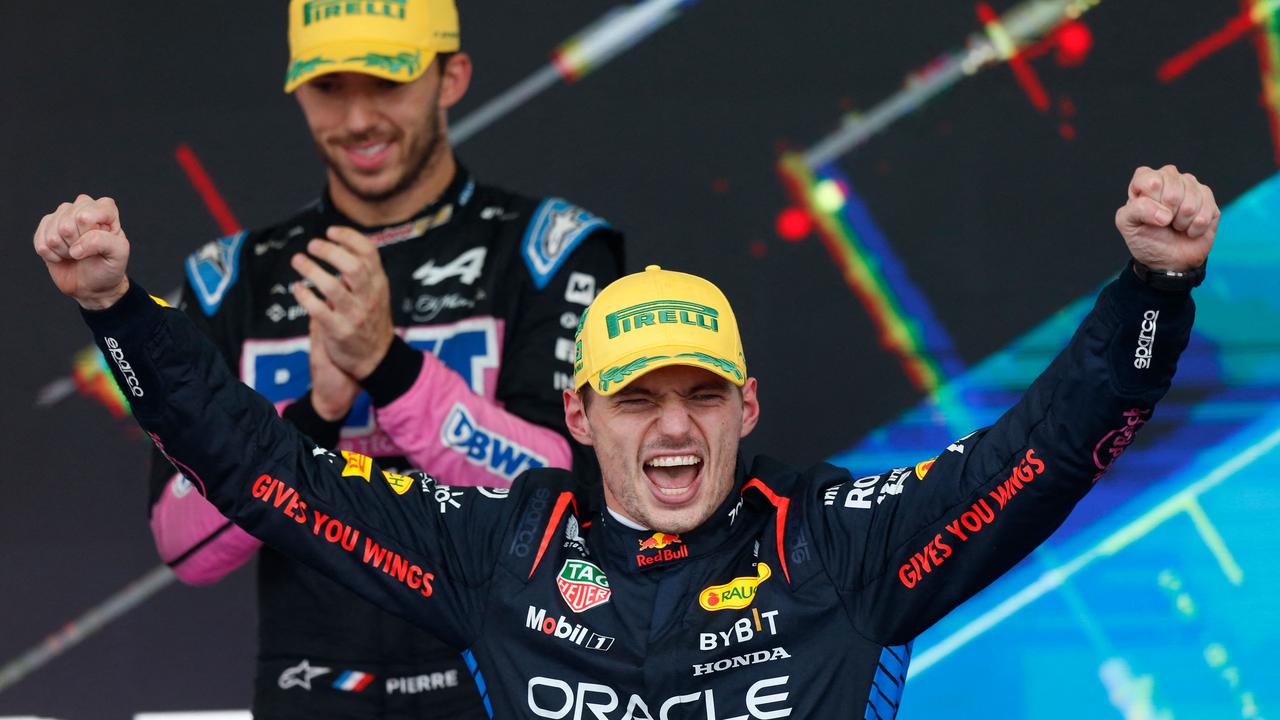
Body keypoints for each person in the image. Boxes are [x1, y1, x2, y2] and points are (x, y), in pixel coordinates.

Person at [35, 164, 1216, 718]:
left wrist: (1153, 290)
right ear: (581, 416)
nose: (672, 426)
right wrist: (117, 313)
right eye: (637, 398)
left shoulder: (838, 545)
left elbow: (1049, 448)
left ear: (745, 409)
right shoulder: (498, 546)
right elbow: (254, 467)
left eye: (699, 395)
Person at [142, 0, 622, 715]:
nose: (359, 119)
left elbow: (571, 497)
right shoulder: (228, 278)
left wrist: (388, 367)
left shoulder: (549, 251)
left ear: (451, 77)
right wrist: (316, 415)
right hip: (310, 688)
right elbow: (183, 544)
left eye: (388, 82)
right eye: (329, 88)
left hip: (509, 680)